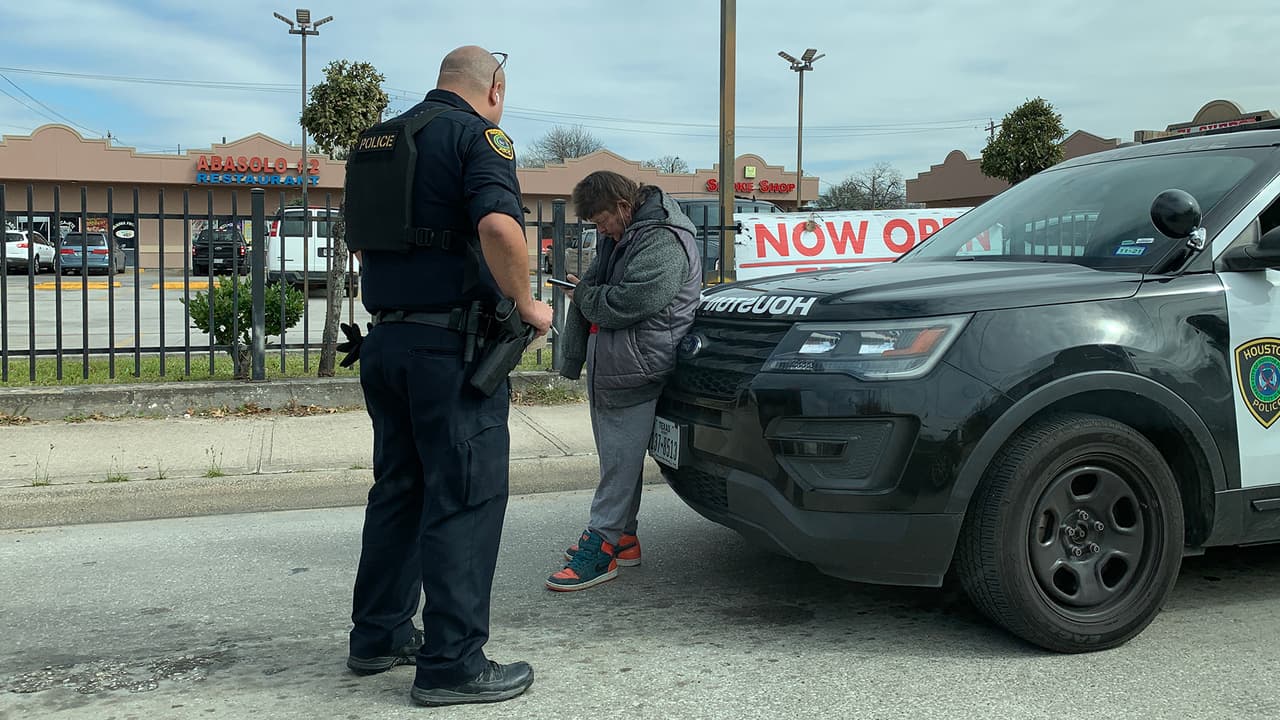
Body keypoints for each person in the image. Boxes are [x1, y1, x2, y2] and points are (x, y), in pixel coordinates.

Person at [341, 46, 552, 707]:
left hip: (387, 343)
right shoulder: (479, 136)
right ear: (494, 87)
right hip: (451, 354)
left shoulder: (377, 140)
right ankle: (453, 665)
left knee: (400, 492)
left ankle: (378, 635)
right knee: (464, 498)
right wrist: (527, 303)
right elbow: (497, 225)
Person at [546, 171, 701, 591]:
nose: (600, 230)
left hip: (639, 362)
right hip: (623, 361)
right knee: (620, 455)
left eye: (601, 222)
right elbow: (603, 286)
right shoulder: (628, 234)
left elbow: (630, 301)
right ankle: (625, 539)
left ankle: (602, 546)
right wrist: (587, 293)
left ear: (622, 207)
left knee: (617, 461)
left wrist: (584, 297)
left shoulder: (663, 238)